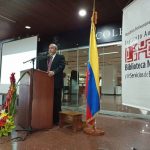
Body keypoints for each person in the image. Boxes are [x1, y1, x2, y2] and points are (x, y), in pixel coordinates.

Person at [47, 43, 65, 125]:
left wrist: (54, 72)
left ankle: (57, 120)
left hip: (57, 83)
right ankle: (50, 117)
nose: (50, 49)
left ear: (55, 49)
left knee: (57, 101)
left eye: (51, 48)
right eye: (49, 48)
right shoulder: (48, 58)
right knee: (50, 101)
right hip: (48, 83)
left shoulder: (60, 57)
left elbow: (61, 67)